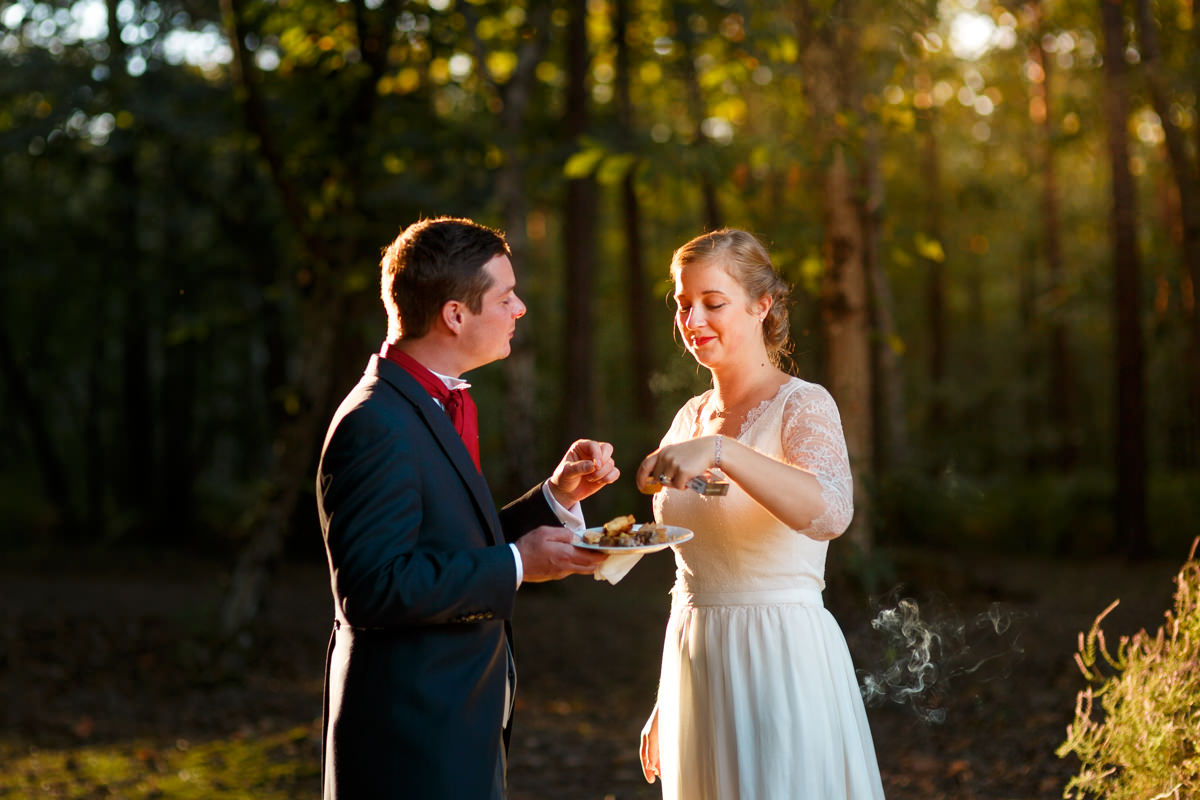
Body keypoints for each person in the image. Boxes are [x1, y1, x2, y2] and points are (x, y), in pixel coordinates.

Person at [315, 216, 615, 800]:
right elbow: (372, 586)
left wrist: (555, 498)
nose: (520, 308)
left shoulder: (429, 401)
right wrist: (517, 564)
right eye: (505, 297)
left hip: (454, 723)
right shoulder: (376, 420)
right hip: (408, 738)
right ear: (455, 315)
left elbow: (448, 545)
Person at [634, 229, 886, 799]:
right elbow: (692, 573)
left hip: (778, 658)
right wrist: (665, 695)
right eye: (683, 304)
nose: (692, 319)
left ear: (761, 305)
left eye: (713, 303)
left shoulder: (804, 404)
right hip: (696, 662)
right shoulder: (690, 416)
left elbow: (831, 513)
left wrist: (725, 451)